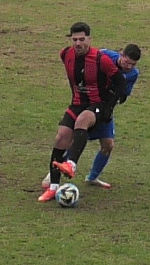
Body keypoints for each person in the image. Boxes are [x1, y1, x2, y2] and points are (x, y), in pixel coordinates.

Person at [38, 22, 127, 203]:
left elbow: (120, 82)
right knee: (61, 136)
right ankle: (53, 187)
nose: (78, 43)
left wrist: (109, 106)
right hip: (77, 103)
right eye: (75, 39)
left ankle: (71, 164)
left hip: (98, 104)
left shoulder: (101, 59)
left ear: (89, 39)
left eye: (82, 39)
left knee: (82, 120)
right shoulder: (66, 54)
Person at [41, 43, 140, 190]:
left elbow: (123, 94)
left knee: (108, 145)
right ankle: (54, 172)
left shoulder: (133, 74)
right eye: (127, 62)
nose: (129, 67)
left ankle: (92, 178)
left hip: (105, 108)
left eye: (133, 64)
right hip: (90, 104)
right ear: (121, 54)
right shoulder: (105, 56)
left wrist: (113, 102)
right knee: (77, 137)